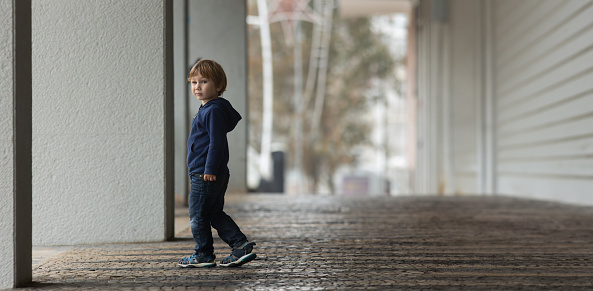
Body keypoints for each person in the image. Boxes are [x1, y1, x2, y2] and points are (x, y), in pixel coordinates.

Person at [178, 59, 256, 268]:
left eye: (203, 82)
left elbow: (217, 142)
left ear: (219, 86)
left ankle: (203, 254)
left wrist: (209, 168)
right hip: (211, 172)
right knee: (213, 212)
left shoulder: (212, 110)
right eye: (193, 82)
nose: (197, 87)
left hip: (206, 173)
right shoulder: (210, 109)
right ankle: (240, 245)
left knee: (197, 215)